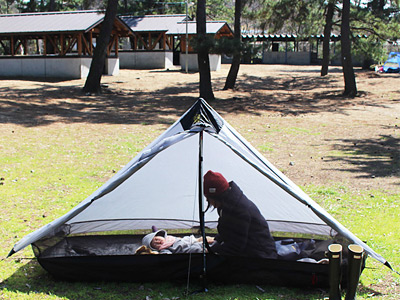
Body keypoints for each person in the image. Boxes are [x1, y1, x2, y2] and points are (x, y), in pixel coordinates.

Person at [203, 170, 277, 259]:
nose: (208, 201)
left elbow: (236, 246)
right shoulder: (227, 204)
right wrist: (216, 240)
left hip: (260, 256)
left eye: (208, 198)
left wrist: (212, 250)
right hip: (247, 250)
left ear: (217, 196)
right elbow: (228, 230)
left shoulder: (240, 211)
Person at [141, 229, 212, 254]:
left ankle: (215, 242)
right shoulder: (164, 249)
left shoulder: (169, 238)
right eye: (155, 244)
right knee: (197, 249)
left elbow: (182, 239)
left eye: (156, 239)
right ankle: (209, 250)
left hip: (192, 242)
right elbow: (166, 255)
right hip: (186, 249)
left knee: (205, 240)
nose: (158, 242)